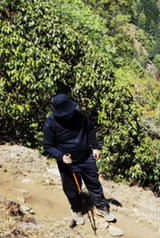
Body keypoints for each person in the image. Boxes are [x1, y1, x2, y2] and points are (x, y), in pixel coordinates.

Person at [42, 94, 115, 225]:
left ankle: (102, 208)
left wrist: (96, 147)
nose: (68, 115)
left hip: (86, 156)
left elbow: (90, 130)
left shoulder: (79, 114)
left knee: (94, 183)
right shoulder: (50, 123)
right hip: (67, 162)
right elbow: (48, 145)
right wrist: (61, 157)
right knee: (71, 188)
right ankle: (76, 209)